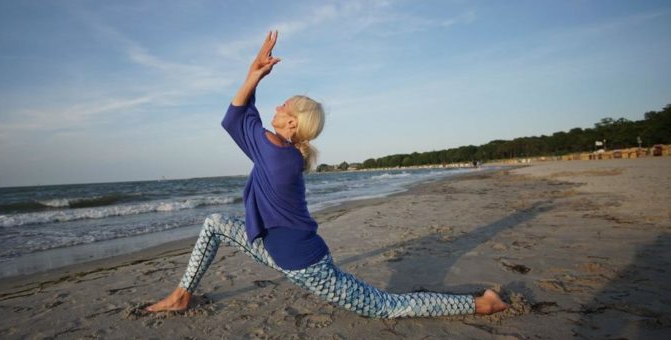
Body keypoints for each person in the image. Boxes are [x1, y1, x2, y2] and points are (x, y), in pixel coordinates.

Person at [146, 31, 508, 318]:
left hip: (305, 264)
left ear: (292, 122)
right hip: (272, 248)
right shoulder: (282, 150)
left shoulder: (274, 152)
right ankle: (181, 295)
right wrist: (252, 75)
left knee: (385, 306)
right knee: (213, 222)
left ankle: (481, 304)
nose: (277, 106)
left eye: (283, 105)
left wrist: (252, 74)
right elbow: (242, 116)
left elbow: (235, 117)